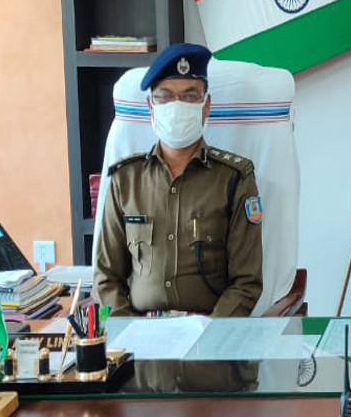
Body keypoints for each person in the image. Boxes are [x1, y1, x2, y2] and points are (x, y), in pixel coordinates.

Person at [94, 43, 263, 317]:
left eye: (189, 96)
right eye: (165, 97)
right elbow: (106, 277)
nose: (176, 107)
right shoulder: (125, 180)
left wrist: (210, 333)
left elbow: (246, 283)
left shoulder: (234, 180)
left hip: (209, 331)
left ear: (206, 106)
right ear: (151, 107)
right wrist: (128, 331)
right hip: (140, 333)